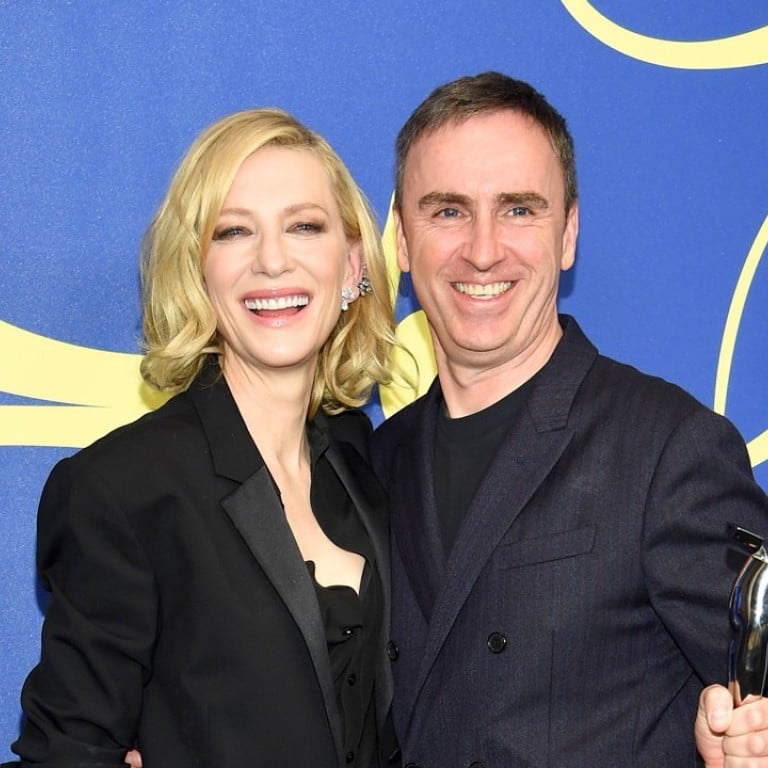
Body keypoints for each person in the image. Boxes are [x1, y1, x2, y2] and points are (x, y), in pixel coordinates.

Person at [369, 71, 768, 767]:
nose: (484, 249)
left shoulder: (666, 449)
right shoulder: (372, 465)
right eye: (448, 211)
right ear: (402, 241)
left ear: (569, 233)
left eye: (519, 210)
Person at [2, 108, 401, 767]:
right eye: (233, 232)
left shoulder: (362, 464)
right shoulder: (124, 490)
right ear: (197, 269)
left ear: (353, 264)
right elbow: (64, 754)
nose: (272, 260)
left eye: (304, 226)